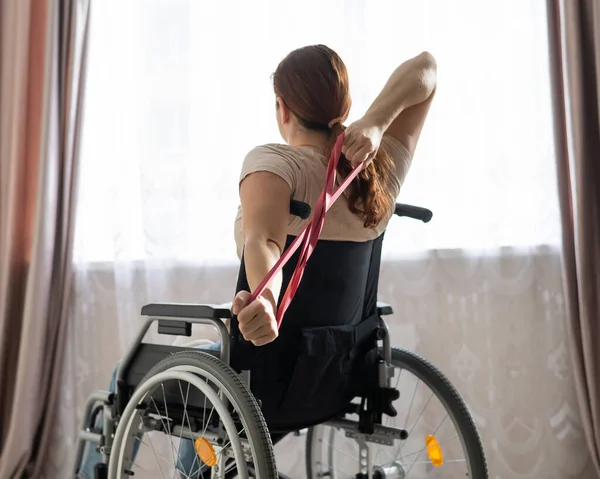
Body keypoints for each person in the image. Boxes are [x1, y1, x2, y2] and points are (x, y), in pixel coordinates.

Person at [77, 44, 437, 479]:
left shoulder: (275, 163)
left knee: (132, 374)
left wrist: (266, 299)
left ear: (283, 109)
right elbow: (426, 68)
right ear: (344, 104)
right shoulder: (378, 172)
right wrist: (378, 123)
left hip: (265, 375)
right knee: (209, 381)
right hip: (335, 376)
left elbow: (262, 238)